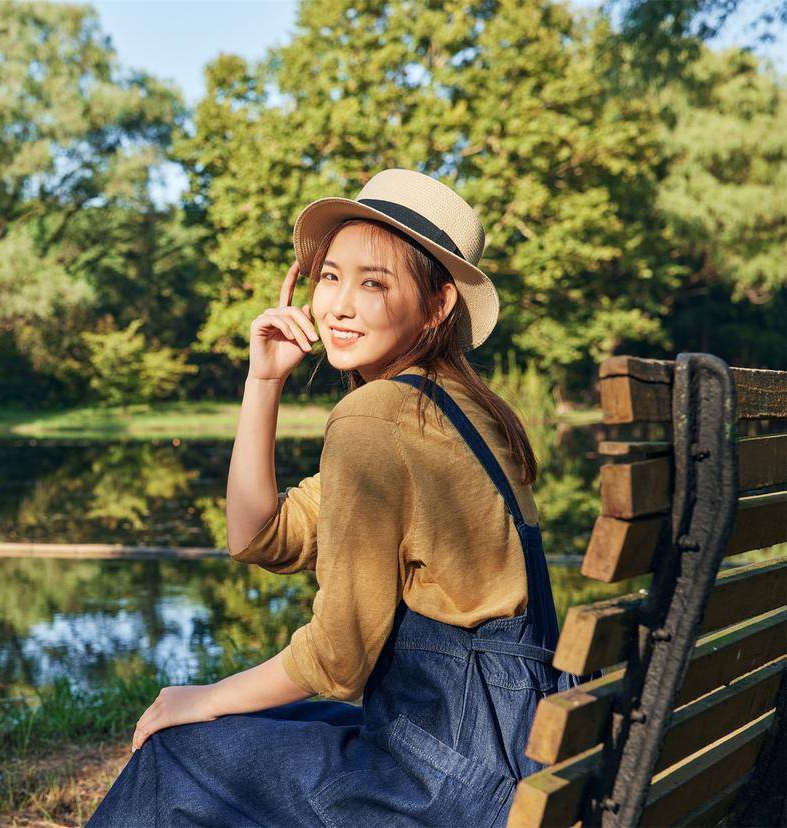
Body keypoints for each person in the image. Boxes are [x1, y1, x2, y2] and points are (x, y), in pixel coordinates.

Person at [86, 168, 587, 828]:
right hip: (509, 757)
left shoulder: (377, 417)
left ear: (436, 307)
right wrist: (262, 381)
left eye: (373, 283)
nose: (339, 305)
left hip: (446, 785)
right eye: (330, 276)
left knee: (179, 754)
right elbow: (258, 536)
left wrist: (201, 699)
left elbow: (339, 656)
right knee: (271, 719)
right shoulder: (454, 410)